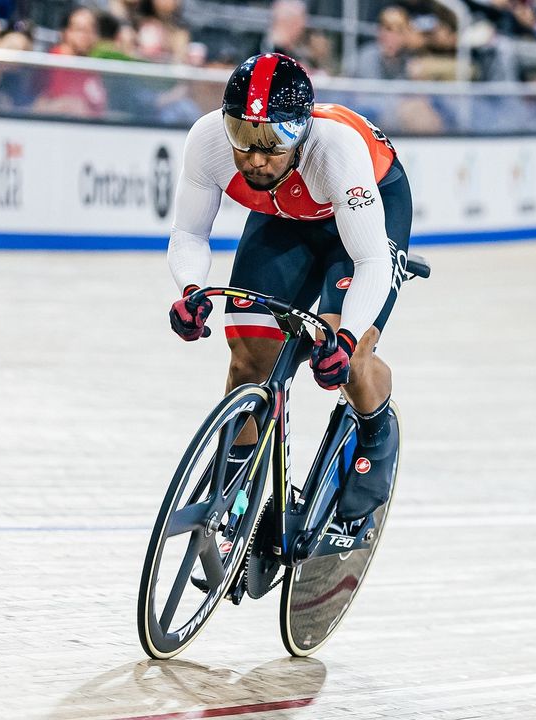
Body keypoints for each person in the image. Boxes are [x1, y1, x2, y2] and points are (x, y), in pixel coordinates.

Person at [167, 53, 409, 522]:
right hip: (288, 216)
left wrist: (345, 336)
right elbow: (189, 234)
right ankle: (236, 496)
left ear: (301, 130)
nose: (256, 160)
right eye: (243, 138)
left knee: (347, 352)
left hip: (361, 219)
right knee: (247, 361)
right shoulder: (207, 141)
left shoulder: (335, 150)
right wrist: (190, 289)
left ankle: (376, 436)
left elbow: (371, 260)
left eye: (274, 142)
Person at [34, 7, 107, 118]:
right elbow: (30, 105)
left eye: (92, 30)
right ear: (65, 32)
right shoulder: (47, 64)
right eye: (80, 29)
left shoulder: (91, 68)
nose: (87, 36)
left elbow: (100, 108)